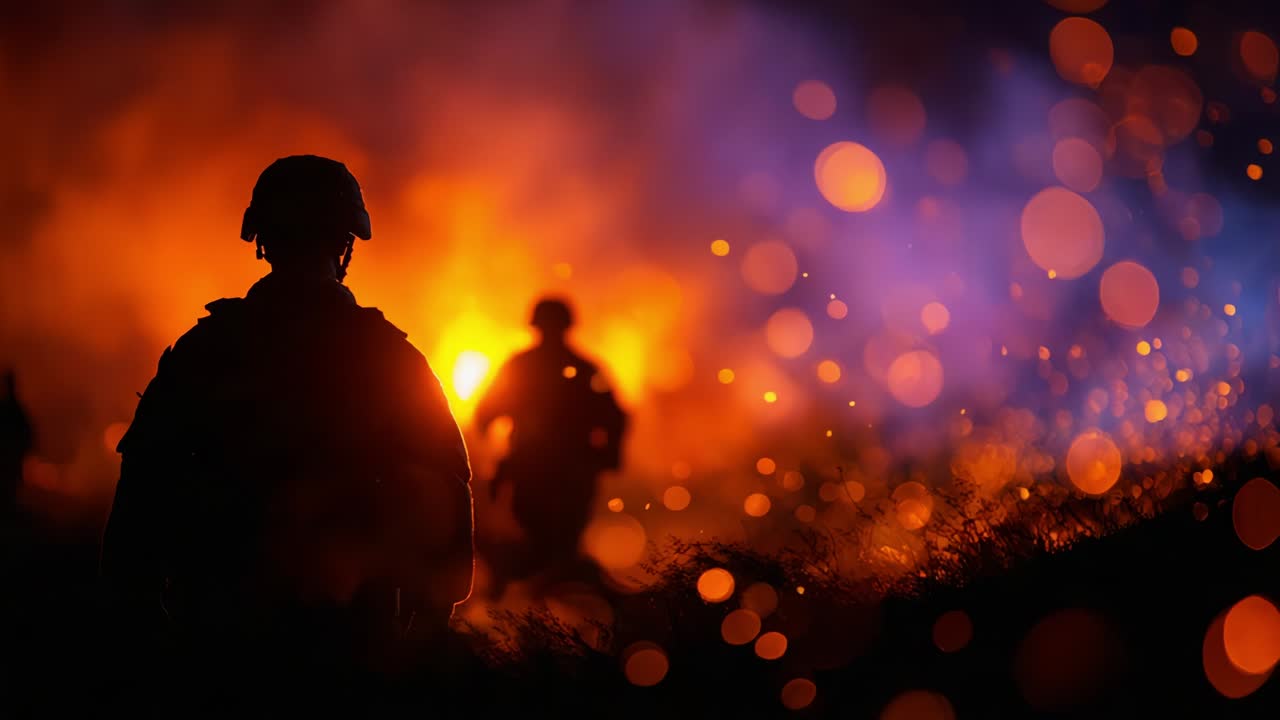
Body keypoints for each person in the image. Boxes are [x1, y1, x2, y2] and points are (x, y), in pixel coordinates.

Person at [99, 156, 473, 689]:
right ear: (345, 242)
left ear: (263, 239)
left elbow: (145, 478)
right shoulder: (389, 355)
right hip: (352, 631)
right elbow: (443, 482)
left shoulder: (207, 347)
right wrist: (430, 615)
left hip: (221, 619)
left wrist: (133, 601)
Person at [475, 298, 627, 595]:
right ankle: (550, 594)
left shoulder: (525, 367)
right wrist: (608, 455)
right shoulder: (583, 369)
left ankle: (539, 595)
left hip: (543, 471)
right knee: (554, 540)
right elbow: (615, 417)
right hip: (559, 472)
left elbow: (487, 412)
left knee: (547, 538)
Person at [0, 370, 33, 534]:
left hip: (10, 461)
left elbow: (26, 435)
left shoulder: (13, 410)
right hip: (8, 460)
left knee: (9, 493)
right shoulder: (12, 410)